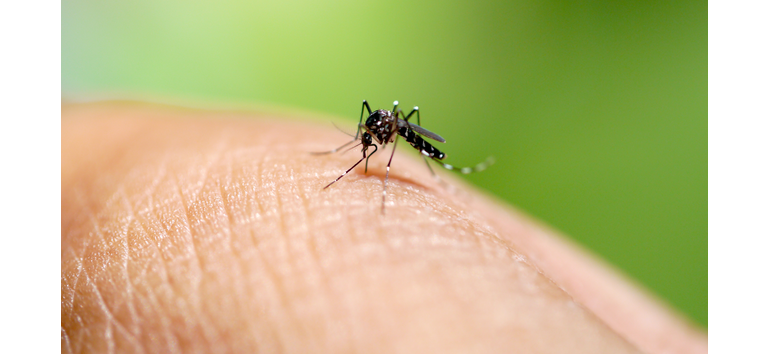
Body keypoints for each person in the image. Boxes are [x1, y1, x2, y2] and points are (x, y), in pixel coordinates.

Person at [62, 102, 706, 353]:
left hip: (418, 145)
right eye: (371, 135)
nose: (372, 135)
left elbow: (390, 122)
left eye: (371, 135)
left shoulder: (394, 133)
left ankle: (430, 165)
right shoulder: (375, 125)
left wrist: (385, 148)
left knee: (399, 122)